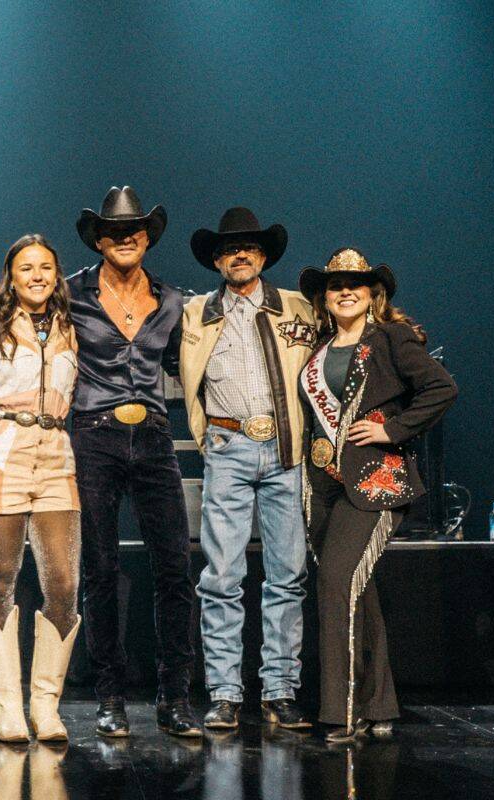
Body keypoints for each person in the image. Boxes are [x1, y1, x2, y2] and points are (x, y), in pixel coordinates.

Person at [297, 247, 457, 742]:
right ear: (325, 296)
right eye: (336, 284)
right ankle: (379, 705)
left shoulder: (390, 337)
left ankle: (341, 712)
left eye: (356, 283)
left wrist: (394, 429)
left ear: (373, 293)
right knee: (357, 594)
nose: (346, 291)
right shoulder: (320, 345)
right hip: (321, 485)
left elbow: (441, 388)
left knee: (336, 584)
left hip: (374, 482)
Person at [68, 186, 201, 738]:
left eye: (134, 231)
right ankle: (110, 697)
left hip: (153, 437)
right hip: (93, 436)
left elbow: (192, 361)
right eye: (114, 231)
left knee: (175, 566)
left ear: (147, 239)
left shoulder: (172, 300)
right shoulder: (69, 293)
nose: (125, 238)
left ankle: (175, 697)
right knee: (100, 569)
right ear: (99, 241)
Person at [180, 207, 317, 730]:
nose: (239, 254)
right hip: (227, 445)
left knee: (287, 575)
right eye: (229, 249)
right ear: (217, 260)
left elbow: (352, 332)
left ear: (263, 256)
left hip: (286, 451)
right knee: (221, 576)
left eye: (249, 247)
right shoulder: (195, 313)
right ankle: (224, 692)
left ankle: (280, 691)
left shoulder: (299, 308)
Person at [0, 234, 81, 743]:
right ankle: (8, 707)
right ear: (11, 277)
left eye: (46, 267)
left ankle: (45, 705)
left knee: (64, 584)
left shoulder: (71, 330)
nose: (37, 276)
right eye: (26, 268)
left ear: (56, 276)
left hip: (55, 456)